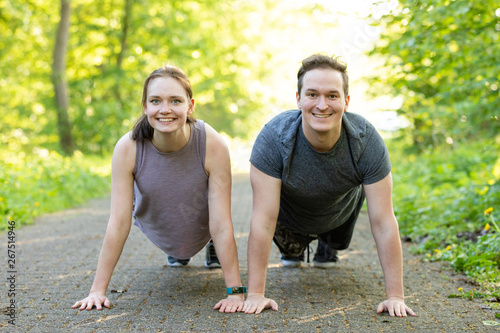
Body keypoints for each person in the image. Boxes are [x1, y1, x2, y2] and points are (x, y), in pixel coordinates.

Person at [241, 54, 416, 317]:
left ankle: (327, 244)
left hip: (339, 214)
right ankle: (296, 247)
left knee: (333, 248)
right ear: (298, 98)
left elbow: (383, 221)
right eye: (312, 94)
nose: (322, 105)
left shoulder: (365, 140)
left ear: (346, 101)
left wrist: (396, 297)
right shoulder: (274, 138)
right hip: (290, 216)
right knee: (291, 256)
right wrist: (255, 294)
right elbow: (263, 219)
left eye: (332, 96)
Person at [72, 65, 245, 313]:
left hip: (202, 220)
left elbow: (222, 223)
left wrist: (235, 293)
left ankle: (210, 247)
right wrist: (97, 291)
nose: (165, 110)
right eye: (156, 101)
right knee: (179, 252)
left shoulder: (212, 143)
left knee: (214, 231)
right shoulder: (128, 147)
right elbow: (119, 222)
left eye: (175, 100)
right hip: (160, 220)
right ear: (145, 106)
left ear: (190, 105)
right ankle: (179, 250)